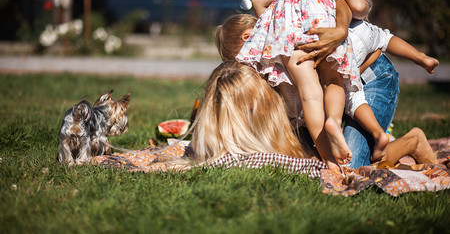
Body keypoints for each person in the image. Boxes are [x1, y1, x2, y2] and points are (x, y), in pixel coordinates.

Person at [215, 8, 438, 168]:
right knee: (316, 156)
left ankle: (412, 141)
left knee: (351, 165)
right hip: (342, 91)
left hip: (371, 80)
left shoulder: (293, 40)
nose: (248, 70)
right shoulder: (271, 62)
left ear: (247, 39)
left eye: (242, 62)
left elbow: (359, 59)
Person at [236, 0, 376, 170]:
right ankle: (333, 120)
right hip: (323, 28)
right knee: (333, 81)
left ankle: (329, 161)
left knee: (309, 94)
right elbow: (360, 8)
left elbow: (262, 2)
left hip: (290, 35)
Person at [153, 61, 437, 171]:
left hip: (365, 82)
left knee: (352, 167)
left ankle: (412, 141)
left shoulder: (273, 98)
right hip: (334, 97)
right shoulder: (245, 88)